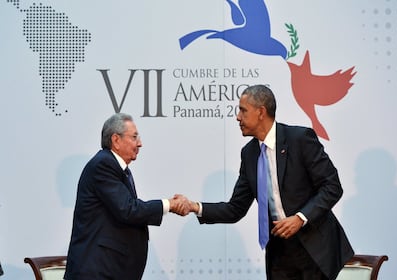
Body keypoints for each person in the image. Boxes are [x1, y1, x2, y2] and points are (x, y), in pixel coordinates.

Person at [188, 85, 354, 280]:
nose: (237, 117)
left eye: (243, 110)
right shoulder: (249, 154)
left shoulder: (300, 139)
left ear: (261, 112)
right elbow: (235, 209)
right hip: (280, 255)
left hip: (315, 249)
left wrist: (300, 217)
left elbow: (332, 186)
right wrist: (195, 207)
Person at [64, 113, 190, 280]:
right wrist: (169, 204)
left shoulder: (119, 169)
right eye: (134, 137)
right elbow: (128, 209)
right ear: (116, 140)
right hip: (97, 273)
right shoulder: (103, 164)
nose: (140, 143)